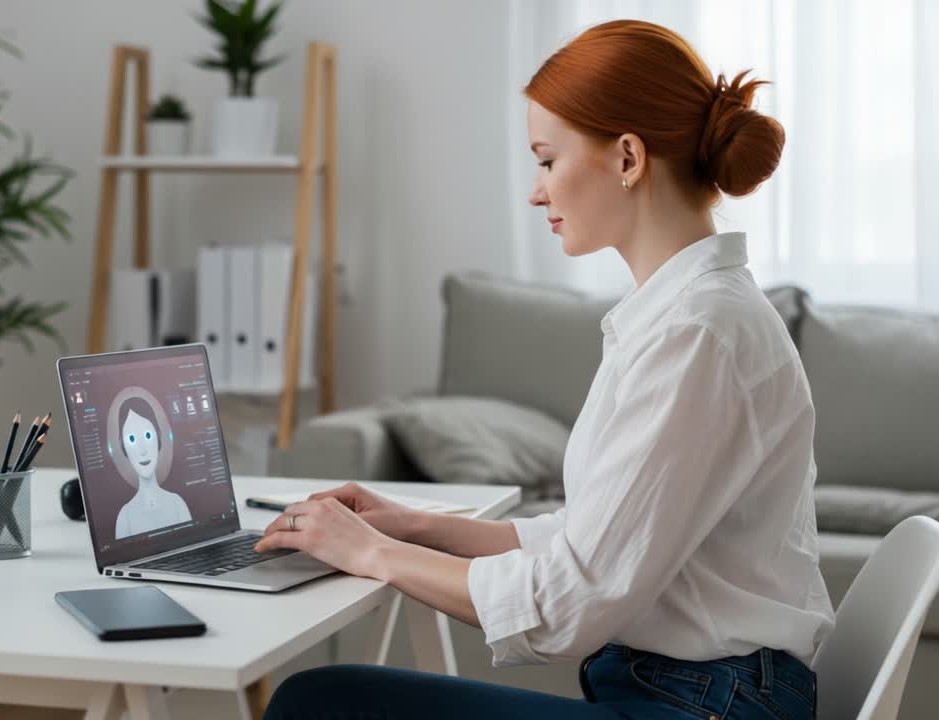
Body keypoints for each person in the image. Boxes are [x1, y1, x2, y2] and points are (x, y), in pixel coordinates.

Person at [254, 18, 835, 720]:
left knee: (320, 703)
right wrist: (411, 526)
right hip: (707, 692)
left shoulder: (696, 334)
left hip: (702, 707)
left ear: (627, 158)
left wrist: (372, 555)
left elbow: (573, 602)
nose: (536, 192)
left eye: (548, 160)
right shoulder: (683, 314)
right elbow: (595, 539)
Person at [114, 396, 191, 538]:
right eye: (132, 439)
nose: (142, 450)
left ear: (158, 438)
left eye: (148, 435)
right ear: (123, 447)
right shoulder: (126, 517)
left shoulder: (177, 504)